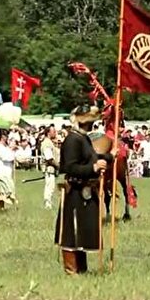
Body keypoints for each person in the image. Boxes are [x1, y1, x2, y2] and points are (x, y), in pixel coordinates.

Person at [54, 105, 114, 275]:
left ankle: (81, 269)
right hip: (75, 191)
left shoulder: (83, 139)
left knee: (82, 231)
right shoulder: (72, 140)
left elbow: (90, 157)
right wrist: (93, 167)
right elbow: (70, 167)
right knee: (72, 232)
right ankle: (71, 270)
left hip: (86, 191)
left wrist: (108, 157)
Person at [40, 125, 59, 209]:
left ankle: (48, 203)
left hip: (51, 169)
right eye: (53, 131)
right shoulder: (46, 143)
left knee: (51, 186)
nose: (55, 133)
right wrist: (58, 166)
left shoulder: (49, 142)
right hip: (49, 168)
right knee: (49, 187)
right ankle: (47, 204)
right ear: (48, 133)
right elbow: (49, 158)